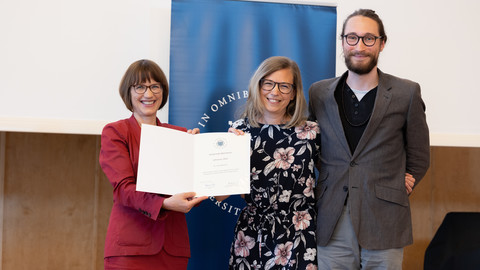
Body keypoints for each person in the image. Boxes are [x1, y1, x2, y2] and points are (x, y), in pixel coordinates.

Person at [308, 9, 430, 269]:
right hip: (332, 217)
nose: (359, 46)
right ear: (342, 42)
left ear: (382, 43)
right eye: (352, 38)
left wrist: (405, 181)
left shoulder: (406, 92)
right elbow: (310, 147)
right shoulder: (318, 93)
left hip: (385, 218)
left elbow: (419, 155)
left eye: (368, 38)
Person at [99, 59, 207, 270]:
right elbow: (123, 189)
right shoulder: (116, 132)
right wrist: (164, 204)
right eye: (140, 87)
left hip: (172, 249)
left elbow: (192, 188)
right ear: (128, 92)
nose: (148, 94)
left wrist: (202, 152)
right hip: (130, 249)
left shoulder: (180, 134)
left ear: (163, 91)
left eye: (155, 86)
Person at [217, 56, 320, 270]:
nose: (275, 92)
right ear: (258, 86)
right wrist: (228, 156)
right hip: (252, 234)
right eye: (269, 84)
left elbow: (338, 172)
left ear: (293, 93)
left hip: (300, 231)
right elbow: (219, 195)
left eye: (284, 86)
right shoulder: (239, 131)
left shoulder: (311, 131)